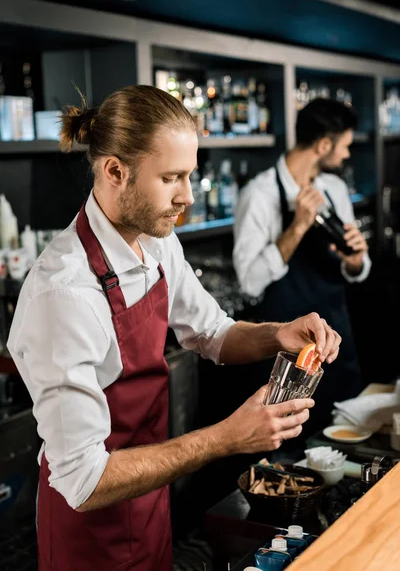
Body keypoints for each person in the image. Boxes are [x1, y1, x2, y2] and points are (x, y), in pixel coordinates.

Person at [7, 86, 340, 571]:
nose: (186, 196)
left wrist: (276, 334)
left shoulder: (157, 242)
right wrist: (227, 438)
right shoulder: (64, 294)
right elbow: (83, 480)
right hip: (90, 534)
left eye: (189, 175)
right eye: (171, 178)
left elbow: (212, 333)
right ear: (115, 172)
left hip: (149, 501)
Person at [233, 97, 370, 442]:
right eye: (345, 146)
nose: (347, 155)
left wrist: (355, 261)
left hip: (336, 344)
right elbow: (248, 282)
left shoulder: (335, 189)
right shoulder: (259, 194)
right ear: (324, 145)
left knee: (348, 444)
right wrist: (297, 227)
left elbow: (358, 266)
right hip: (285, 358)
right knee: (289, 452)